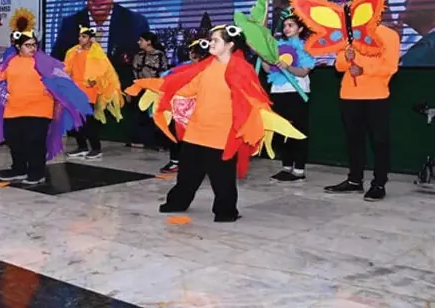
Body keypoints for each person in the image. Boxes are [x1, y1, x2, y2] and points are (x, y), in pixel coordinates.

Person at [126, 25, 306, 222]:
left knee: (223, 179)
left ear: (229, 44)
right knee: (187, 174)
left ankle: (226, 212)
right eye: (211, 39)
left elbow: (254, 99)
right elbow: (187, 88)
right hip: (196, 130)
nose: (211, 43)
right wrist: (161, 88)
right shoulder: (205, 66)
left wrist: (268, 118)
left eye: (216, 40)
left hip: (222, 134)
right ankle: (177, 202)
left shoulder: (242, 69)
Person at [0, 31, 92, 185]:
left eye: (34, 45)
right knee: (15, 140)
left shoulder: (45, 62)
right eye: (28, 45)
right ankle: (19, 169)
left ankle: (37, 172)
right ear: (18, 46)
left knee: (35, 142)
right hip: (14, 109)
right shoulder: (10, 62)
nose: (32, 48)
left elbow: (61, 81)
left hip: (39, 109)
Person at [325, 23, 400, 201]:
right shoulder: (349, 35)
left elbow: (391, 67)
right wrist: (346, 56)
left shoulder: (389, 34)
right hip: (349, 95)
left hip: (377, 95)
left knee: (379, 141)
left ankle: (379, 183)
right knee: (354, 140)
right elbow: (339, 66)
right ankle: (354, 180)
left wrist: (365, 70)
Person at [261, 9, 315, 181]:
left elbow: (304, 71)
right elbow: (268, 69)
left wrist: (288, 68)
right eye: (284, 25)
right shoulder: (277, 47)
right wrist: (264, 57)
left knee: (298, 131)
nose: (286, 28)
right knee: (282, 131)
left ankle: (299, 170)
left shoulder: (307, 47)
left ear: (300, 29)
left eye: (290, 25)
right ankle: (286, 167)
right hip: (279, 92)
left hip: (297, 93)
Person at [64, 26, 124, 160]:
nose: (80, 39)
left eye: (84, 37)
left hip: (88, 90)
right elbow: (67, 68)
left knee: (88, 121)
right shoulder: (73, 52)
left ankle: (96, 149)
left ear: (91, 39)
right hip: (74, 89)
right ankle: (82, 147)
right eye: (80, 36)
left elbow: (105, 72)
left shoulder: (97, 53)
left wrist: (95, 80)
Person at [159, 38, 210, 174]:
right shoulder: (184, 67)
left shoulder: (211, 69)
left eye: (195, 53)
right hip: (182, 109)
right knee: (176, 133)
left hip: (201, 109)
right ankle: (177, 161)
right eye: (193, 52)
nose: (192, 56)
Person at [130, 32, 168, 149]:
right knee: (141, 116)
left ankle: (159, 143)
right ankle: (142, 141)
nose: (139, 42)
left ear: (149, 42)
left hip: (155, 90)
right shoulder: (138, 55)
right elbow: (135, 73)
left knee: (155, 116)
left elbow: (164, 72)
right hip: (141, 89)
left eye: (141, 40)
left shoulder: (160, 55)